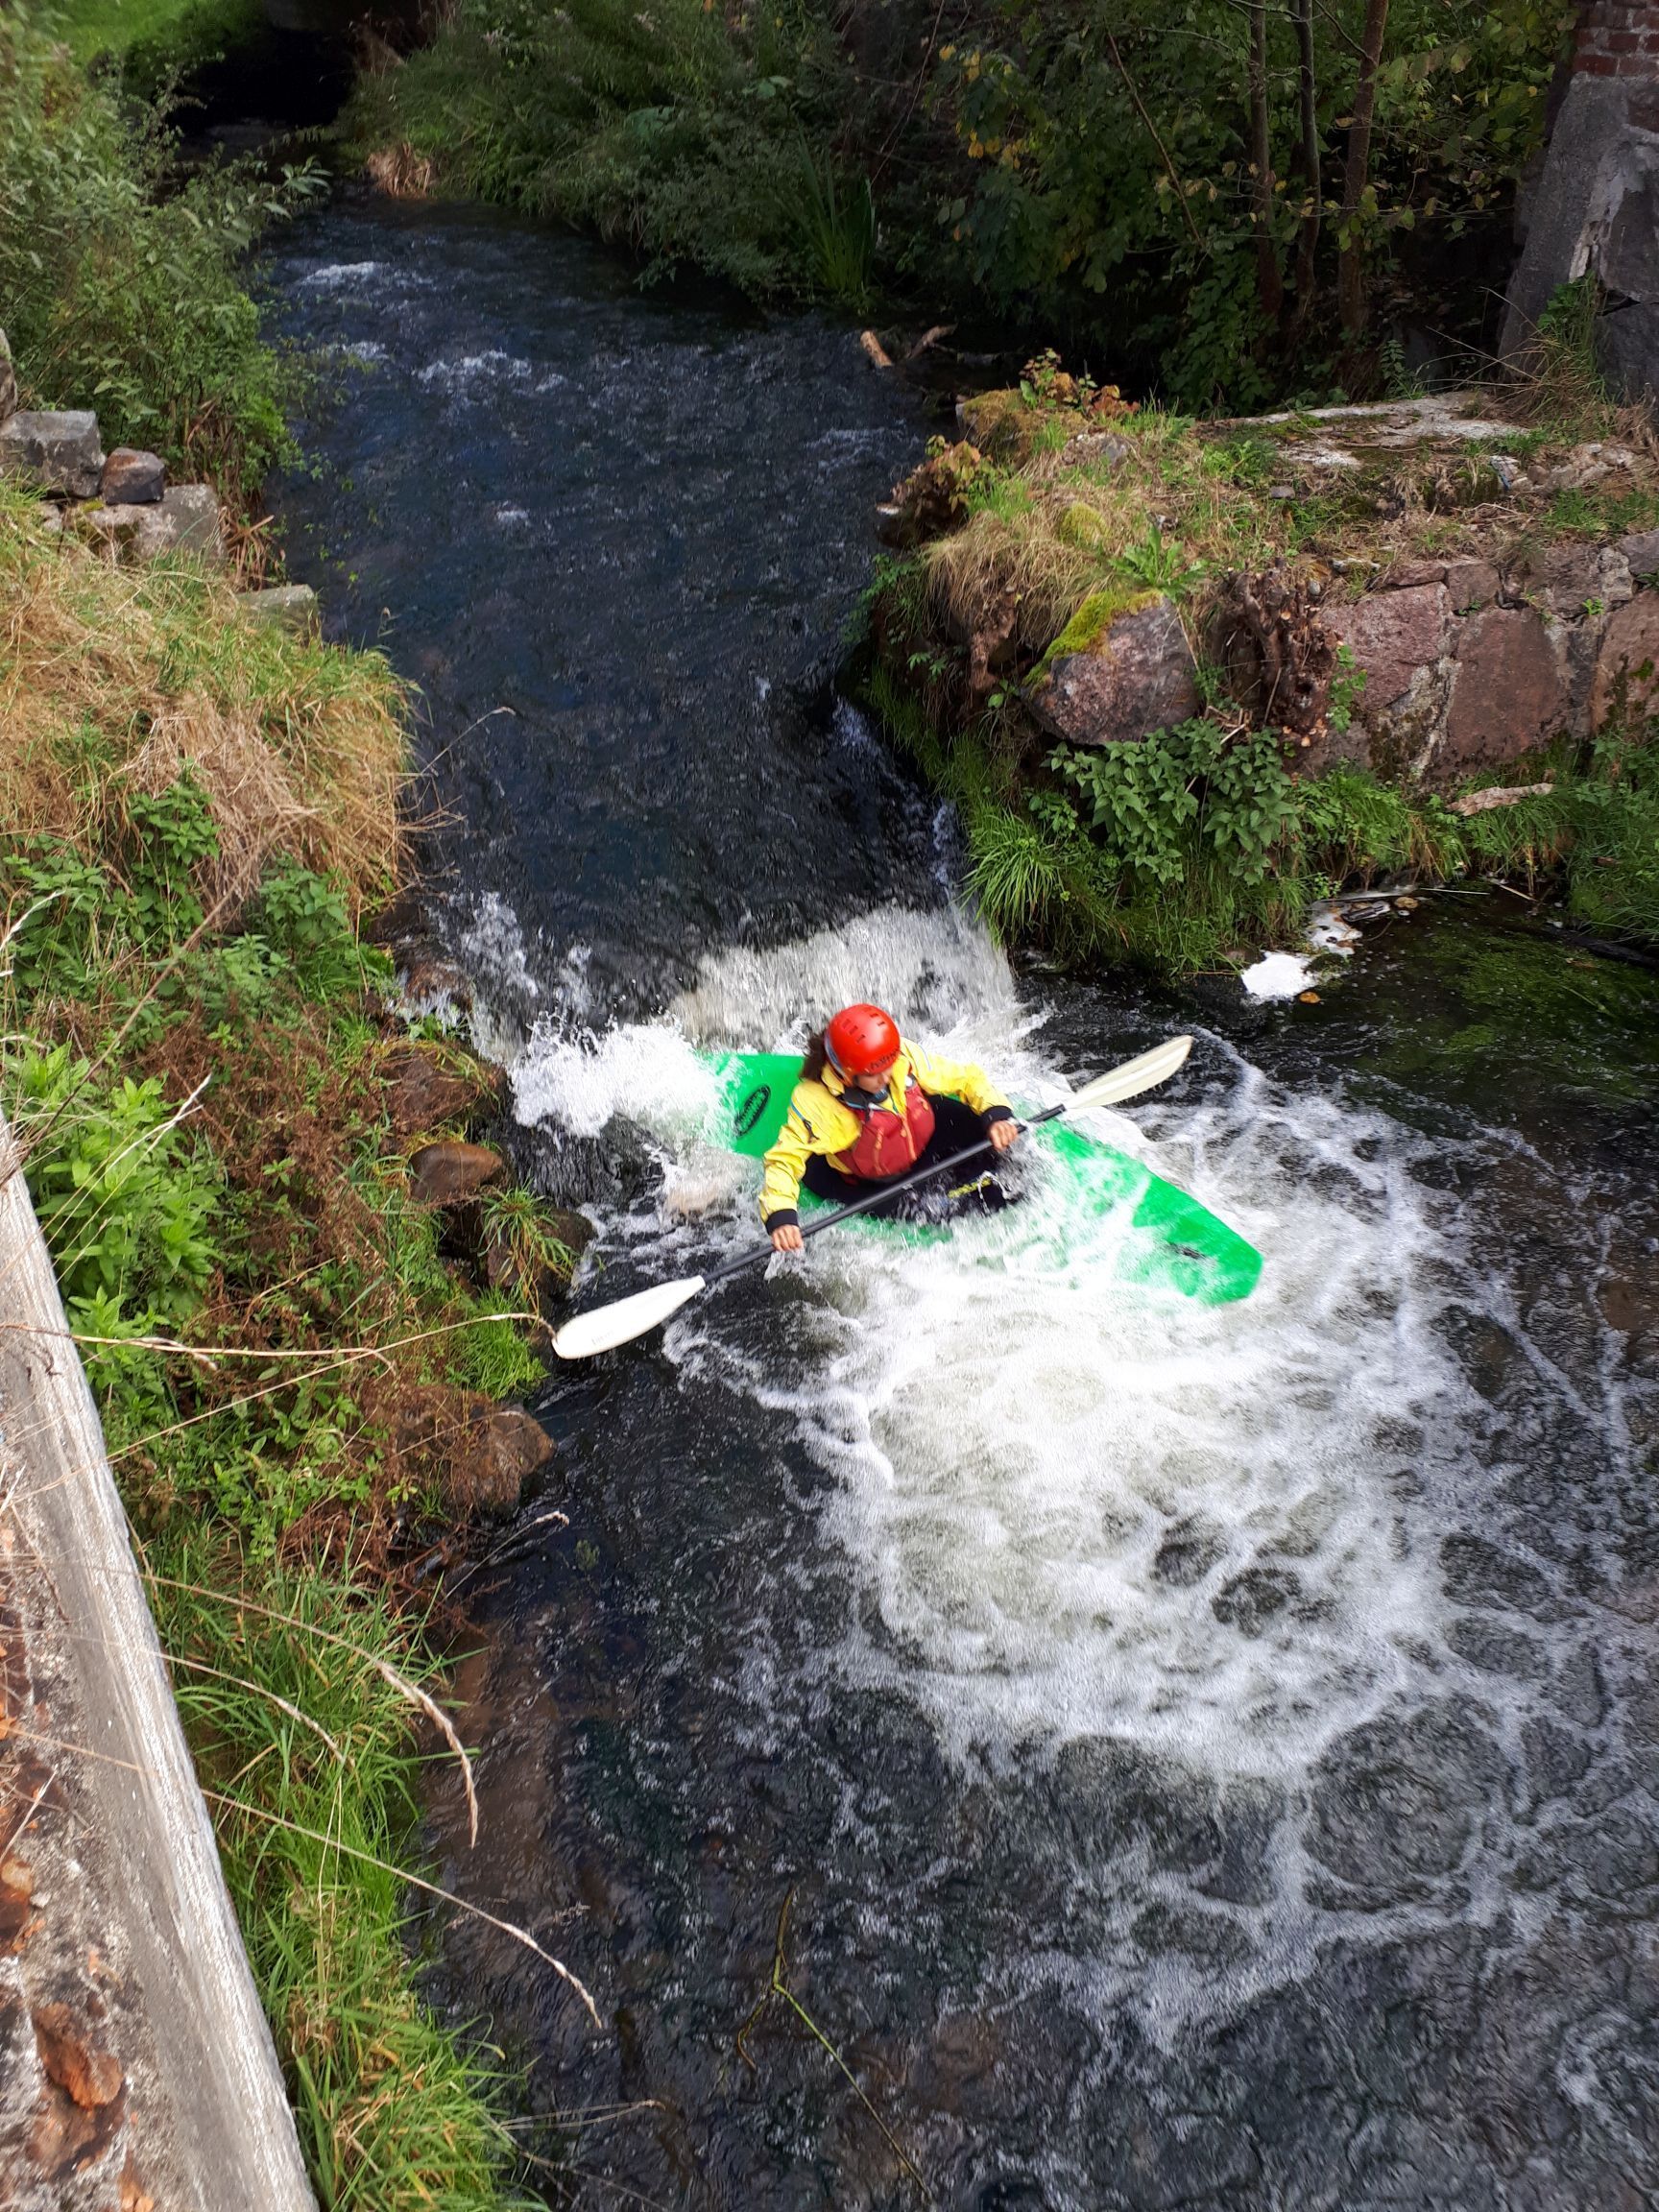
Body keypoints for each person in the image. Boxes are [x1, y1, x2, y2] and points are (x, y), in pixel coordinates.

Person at [760, 1002, 1020, 1252]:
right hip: (871, 1182)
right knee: (942, 1211)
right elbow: (784, 1160)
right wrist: (781, 1215)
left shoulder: (898, 1055)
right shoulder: (819, 1104)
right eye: (874, 1073)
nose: (886, 1076)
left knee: (1005, 1155)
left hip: (921, 1143)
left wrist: (997, 1115)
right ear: (846, 1074)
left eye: (889, 1065)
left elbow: (966, 1078)